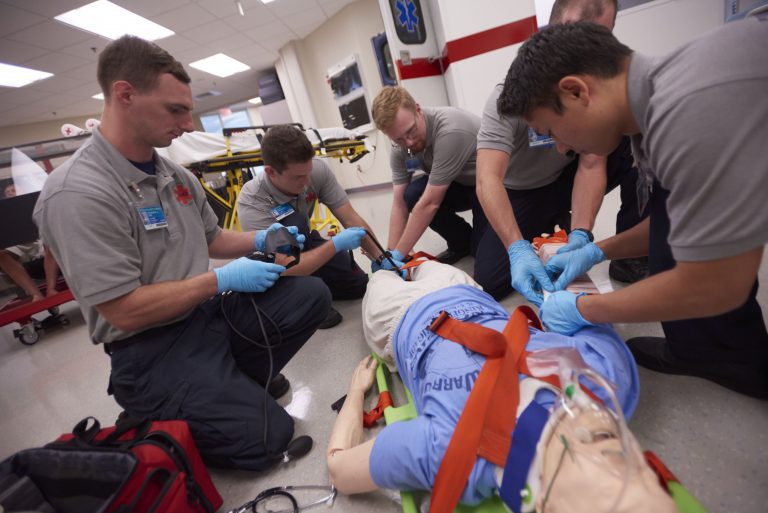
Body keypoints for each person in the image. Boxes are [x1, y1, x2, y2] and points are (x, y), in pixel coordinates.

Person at [33, 35, 332, 470]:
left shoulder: (172, 175)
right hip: (149, 349)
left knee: (311, 295)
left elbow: (211, 240)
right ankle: (152, 411)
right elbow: (124, 312)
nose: (189, 125)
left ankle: (232, 384)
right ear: (125, 95)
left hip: (203, 319)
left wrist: (262, 238)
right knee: (270, 436)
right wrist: (220, 280)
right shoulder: (80, 192)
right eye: (176, 110)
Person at [497, 20, 768, 398]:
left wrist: (586, 308)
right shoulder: (655, 105)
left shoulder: (686, 113)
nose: (560, 148)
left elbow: (720, 283)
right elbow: (680, 220)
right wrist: (596, 250)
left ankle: (734, 354)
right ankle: (706, 351)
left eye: (551, 131)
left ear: (575, 92)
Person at [325, 262, 677, 512]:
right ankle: (410, 263)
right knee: (416, 260)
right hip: (462, 288)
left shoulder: (450, 453)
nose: (605, 433)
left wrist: (357, 392)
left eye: (605, 457)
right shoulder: (607, 381)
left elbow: (339, 469)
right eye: (644, 471)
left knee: (382, 271)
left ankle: (388, 268)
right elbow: (583, 308)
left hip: (396, 317)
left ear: (541, 503)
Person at [474, 0, 647, 303]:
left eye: (607, 36)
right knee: (490, 279)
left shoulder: (628, 97)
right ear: (565, 25)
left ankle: (631, 254)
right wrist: (516, 246)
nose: (600, 49)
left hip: (564, 178)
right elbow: (487, 178)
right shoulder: (509, 97)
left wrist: (582, 235)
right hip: (526, 190)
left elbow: (592, 162)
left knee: (624, 146)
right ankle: (548, 224)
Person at [237, 124, 387, 328]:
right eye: (298, 177)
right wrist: (334, 245)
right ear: (271, 172)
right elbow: (284, 263)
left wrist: (382, 258)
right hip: (275, 264)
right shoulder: (253, 200)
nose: (307, 182)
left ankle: (319, 281)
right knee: (295, 225)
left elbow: (350, 218)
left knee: (359, 286)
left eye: (308, 172)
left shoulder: (315, 169)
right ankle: (307, 293)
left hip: (305, 240)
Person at [371, 86, 487, 265]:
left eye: (411, 131)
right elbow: (399, 202)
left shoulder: (449, 130)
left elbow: (430, 204)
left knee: (484, 256)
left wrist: (399, 255)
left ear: (418, 110)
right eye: (399, 139)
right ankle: (461, 242)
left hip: (490, 185)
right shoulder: (399, 148)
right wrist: (390, 254)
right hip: (459, 183)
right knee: (411, 195)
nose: (408, 142)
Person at [0, 180, 60, 302]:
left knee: (50, 240)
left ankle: (51, 289)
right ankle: (35, 294)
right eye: (8, 192)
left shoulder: (37, 201)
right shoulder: (5, 214)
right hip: (20, 246)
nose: (11, 193)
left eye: (14, 190)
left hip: (41, 240)